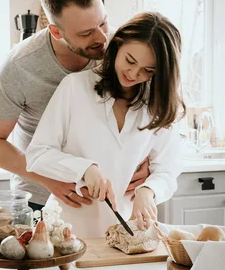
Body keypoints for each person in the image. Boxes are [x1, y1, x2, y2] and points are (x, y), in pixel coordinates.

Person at [0, 0, 150, 211]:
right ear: (56, 32)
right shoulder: (21, 66)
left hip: (106, 196)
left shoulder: (120, 50)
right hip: (41, 197)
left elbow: (150, 115)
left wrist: (147, 159)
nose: (102, 37)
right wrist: (48, 179)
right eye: (86, 33)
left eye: (103, 23)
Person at [26, 12, 186, 238]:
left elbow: (168, 168)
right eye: (130, 60)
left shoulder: (159, 104)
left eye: (148, 70)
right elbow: (37, 155)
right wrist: (85, 169)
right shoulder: (75, 87)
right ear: (117, 45)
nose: (133, 73)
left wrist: (149, 191)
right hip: (68, 230)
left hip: (130, 230)